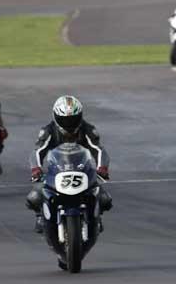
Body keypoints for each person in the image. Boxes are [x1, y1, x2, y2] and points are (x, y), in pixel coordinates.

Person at [26, 95, 112, 234]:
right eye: (65, 119)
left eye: (72, 119)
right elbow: (38, 151)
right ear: (56, 116)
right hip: (56, 170)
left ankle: (96, 216)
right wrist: (36, 169)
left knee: (105, 199)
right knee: (34, 197)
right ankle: (40, 215)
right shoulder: (48, 130)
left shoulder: (87, 129)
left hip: (82, 169)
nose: (69, 123)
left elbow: (98, 149)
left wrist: (102, 168)